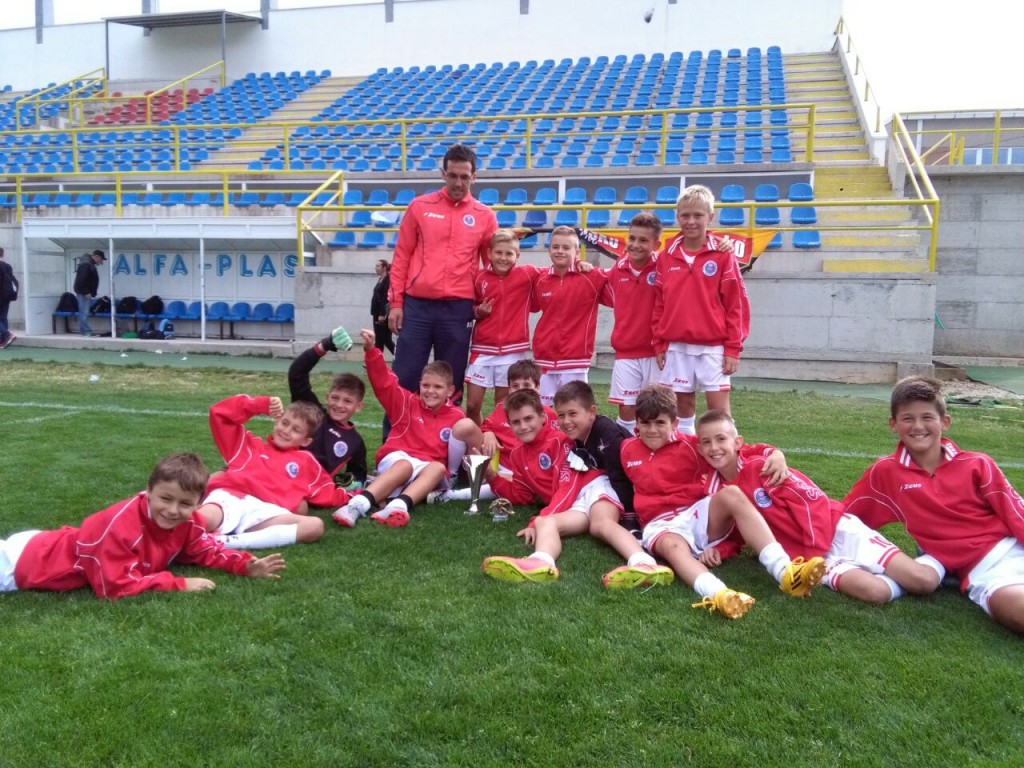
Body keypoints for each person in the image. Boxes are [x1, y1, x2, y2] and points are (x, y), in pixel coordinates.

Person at [696, 409, 943, 605]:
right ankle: (900, 573)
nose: (714, 448)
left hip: (834, 531)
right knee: (875, 592)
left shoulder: (763, 466)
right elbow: (743, 528)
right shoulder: (717, 491)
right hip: (806, 559)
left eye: (721, 439)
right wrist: (723, 548)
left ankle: (942, 562)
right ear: (700, 448)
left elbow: (812, 503)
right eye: (706, 442)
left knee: (922, 581)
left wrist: (814, 550)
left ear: (737, 442)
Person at [620, 385, 824, 619]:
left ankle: (785, 572)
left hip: (697, 513)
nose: (652, 430)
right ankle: (719, 594)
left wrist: (773, 453)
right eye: (645, 423)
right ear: (636, 424)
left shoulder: (692, 446)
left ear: (674, 424)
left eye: (660, 423)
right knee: (673, 548)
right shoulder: (627, 450)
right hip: (660, 525)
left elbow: (736, 450)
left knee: (733, 494)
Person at [843, 376, 1024, 634]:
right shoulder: (885, 473)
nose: (918, 426)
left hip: (1013, 549)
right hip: (985, 574)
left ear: (945, 422)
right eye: (907, 418)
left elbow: (1015, 512)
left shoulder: (977, 464)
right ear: (893, 424)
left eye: (927, 417)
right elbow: (844, 517)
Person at [0, 453, 285, 600]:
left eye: (185, 503)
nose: (173, 510)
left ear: (200, 503)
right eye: (165, 498)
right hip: (25, 563)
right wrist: (178, 584)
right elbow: (113, 587)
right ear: (148, 490)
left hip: (44, 545)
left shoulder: (192, 522)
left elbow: (205, 551)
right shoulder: (118, 526)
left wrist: (244, 565)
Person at [480, 388, 675, 589]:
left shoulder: (561, 441)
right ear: (509, 425)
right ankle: (541, 562)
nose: (523, 426)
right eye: (516, 422)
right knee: (545, 523)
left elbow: (569, 485)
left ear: (543, 417)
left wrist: (534, 522)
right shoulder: (517, 455)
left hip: (594, 486)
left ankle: (644, 563)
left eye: (528, 418)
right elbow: (521, 494)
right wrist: (492, 478)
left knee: (600, 524)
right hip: (574, 504)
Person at [388, 143, 498, 404]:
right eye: (453, 175)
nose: (458, 182)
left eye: (464, 177)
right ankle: (393, 443)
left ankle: (447, 443)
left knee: (451, 383)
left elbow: (491, 269)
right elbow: (401, 256)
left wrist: (482, 305)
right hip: (417, 308)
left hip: (458, 310)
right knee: (404, 379)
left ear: (474, 177)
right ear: (443, 174)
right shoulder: (419, 207)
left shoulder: (485, 216)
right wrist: (396, 303)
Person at [332, 328, 465, 528]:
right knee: (405, 465)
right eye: (426, 385)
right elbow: (384, 382)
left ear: (450, 390)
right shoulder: (405, 401)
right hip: (398, 459)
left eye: (437, 387)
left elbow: (465, 446)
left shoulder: (457, 416)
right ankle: (356, 506)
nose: (430, 391)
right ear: (419, 385)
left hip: (425, 470)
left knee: (438, 468)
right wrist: (372, 351)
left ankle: (398, 506)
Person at [653, 186, 750, 434]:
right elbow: (659, 304)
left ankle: (730, 466)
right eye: (685, 215)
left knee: (718, 412)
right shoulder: (666, 257)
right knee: (682, 408)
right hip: (677, 345)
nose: (691, 221)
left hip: (713, 346)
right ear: (677, 217)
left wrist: (732, 348)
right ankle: (687, 463)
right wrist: (660, 342)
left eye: (698, 215)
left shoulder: (722, 255)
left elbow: (735, 305)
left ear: (710, 217)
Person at [197, 395, 348, 549]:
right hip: (232, 500)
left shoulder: (307, 462)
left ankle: (224, 542)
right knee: (203, 520)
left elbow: (327, 492)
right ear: (277, 421)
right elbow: (220, 415)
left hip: (268, 512)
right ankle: (189, 539)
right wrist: (259, 405)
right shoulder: (248, 445)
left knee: (315, 526)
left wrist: (357, 495)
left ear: (305, 441)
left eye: (296, 430)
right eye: (285, 423)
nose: (286, 431)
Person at [435, 359, 559, 506]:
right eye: (515, 386)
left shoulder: (548, 414)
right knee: (464, 425)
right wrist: (488, 433)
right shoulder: (502, 408)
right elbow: (486, 425)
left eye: (526, 385)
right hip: (499, 463)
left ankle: (452, 495)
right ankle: (452, 476)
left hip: (524, 472)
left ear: (538, 387)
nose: (520, 390)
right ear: (509, 388)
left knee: (510, 480)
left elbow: (554, 444)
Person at [463, 228, 540, 424]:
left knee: (503, 405)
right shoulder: (478, 277)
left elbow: (555, 270)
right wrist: (478, 312)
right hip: (482, 349)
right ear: (489, 253)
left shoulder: (528, 274)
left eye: (509, 253)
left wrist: (578, 262)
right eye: (499, 252)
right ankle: (479, 444)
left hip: (512, 351)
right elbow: (468, 307)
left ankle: (501, 447)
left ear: (517, 256)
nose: (503, 258)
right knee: (472, 405)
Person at [599, 212, 663, 434]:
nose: (635, 245)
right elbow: (598, 284)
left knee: (656, 410)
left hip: (657, 353)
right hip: (626, 352)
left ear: (657, 244)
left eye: (643, 240)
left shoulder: (664, 267)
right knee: (627, 411)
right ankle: (625, 456)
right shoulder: (618, 268)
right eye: (632, 238)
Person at [531, 226, 608, 406]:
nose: (560, 251)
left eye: (566, 248)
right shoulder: (541, 279)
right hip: (544, 357)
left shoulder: (591, 277)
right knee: (543, 413)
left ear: (576, 251)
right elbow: (534, 307)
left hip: (575, 359)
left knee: (575, 412)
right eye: (556, 247)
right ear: (549, 249)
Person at [552, 380, 640, 537]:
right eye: (561, 415)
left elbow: (621, 477)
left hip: (635, 486)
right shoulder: (578, 434)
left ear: (591, 413)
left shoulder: (608, 435)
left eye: (573, 414)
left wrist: (630, 518)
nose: (566, 421)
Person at [286, 326, 368, 487]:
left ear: (358, 407)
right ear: (327, 397)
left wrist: (352, 484)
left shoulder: (356, 442)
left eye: (347, 401)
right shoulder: (313, 412)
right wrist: (324, 345)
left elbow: (357, 476)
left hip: (309, 488)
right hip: (284, 470)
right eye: (335, 398)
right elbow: (296, 373)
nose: (339, 405)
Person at [73, 249, 105, 337]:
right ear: (96, 257)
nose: (101, 261)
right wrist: (86, 292)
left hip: (85, 292)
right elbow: (81, 280)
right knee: (84, 312)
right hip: (84, 293)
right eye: (101, 259)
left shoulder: (87, 264)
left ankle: (85, 330)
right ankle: (85, 331)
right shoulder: (86, 264)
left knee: (84, 312)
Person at [371, 259, 395, 354]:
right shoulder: (381, 279)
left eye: (378, 266)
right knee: (379, 340)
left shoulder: (388, 280)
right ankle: (376, 362)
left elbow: (386, 298)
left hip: (382, 315)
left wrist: (382, 314)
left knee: (386, 339)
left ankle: (399, 358)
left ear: (384, 268)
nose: (375, 268)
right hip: (376, 313)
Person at [0, 246, 15, 348]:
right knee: (3, 317)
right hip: (7, 295)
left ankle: (7, 334)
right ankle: (4, 340)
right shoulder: (8, 266)